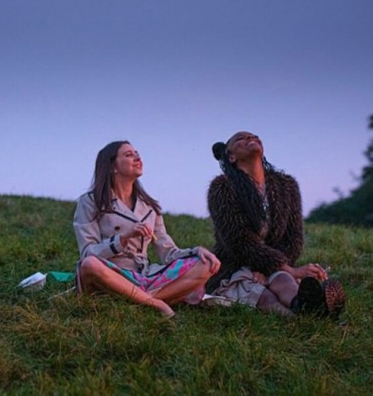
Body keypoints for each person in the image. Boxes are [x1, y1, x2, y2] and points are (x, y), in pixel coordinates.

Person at [73, 140, 220, 319]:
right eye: (129, 155)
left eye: (137, 154)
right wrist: (123, 238)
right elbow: (88, 253)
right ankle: (157, 303)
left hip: (144, 275)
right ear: (112, 167)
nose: (137, 158)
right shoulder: (90, 202)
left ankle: (139, 300)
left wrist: (196, 251)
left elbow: (168, 253)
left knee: (206, 264)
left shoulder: (150, 208)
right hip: (111, 273)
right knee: (89, 265)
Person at [206, 131, 345, 319]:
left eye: (254, 136)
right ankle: (298, 319)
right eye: (241, 138)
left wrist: (272, 269)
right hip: (235, 266)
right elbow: (238, 241)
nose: (250, 138)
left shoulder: (286, 185)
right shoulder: (222, 187)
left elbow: (293, 238)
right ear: (231, 157)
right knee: (265, 296)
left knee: (284, 282)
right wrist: (289, 269)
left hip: (276, 266)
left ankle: (306, 305)